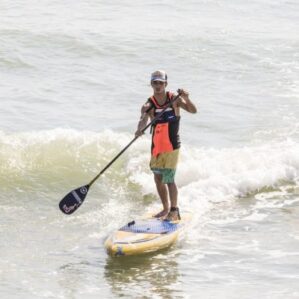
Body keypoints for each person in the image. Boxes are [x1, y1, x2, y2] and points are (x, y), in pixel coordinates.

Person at [135, 70, 197, 221]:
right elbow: (143, 120)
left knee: (169, 179)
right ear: (151, 84)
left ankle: (174, 211)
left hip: (172, 147)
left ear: (165, 84)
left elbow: (193, 111)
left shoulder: (174, 100)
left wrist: (187, 99)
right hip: (156, 147)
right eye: (155, 82)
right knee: (157, 178)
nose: (158, 85)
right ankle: (165, 208)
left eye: (160, 83)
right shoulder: (148, 105)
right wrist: (139, 129)